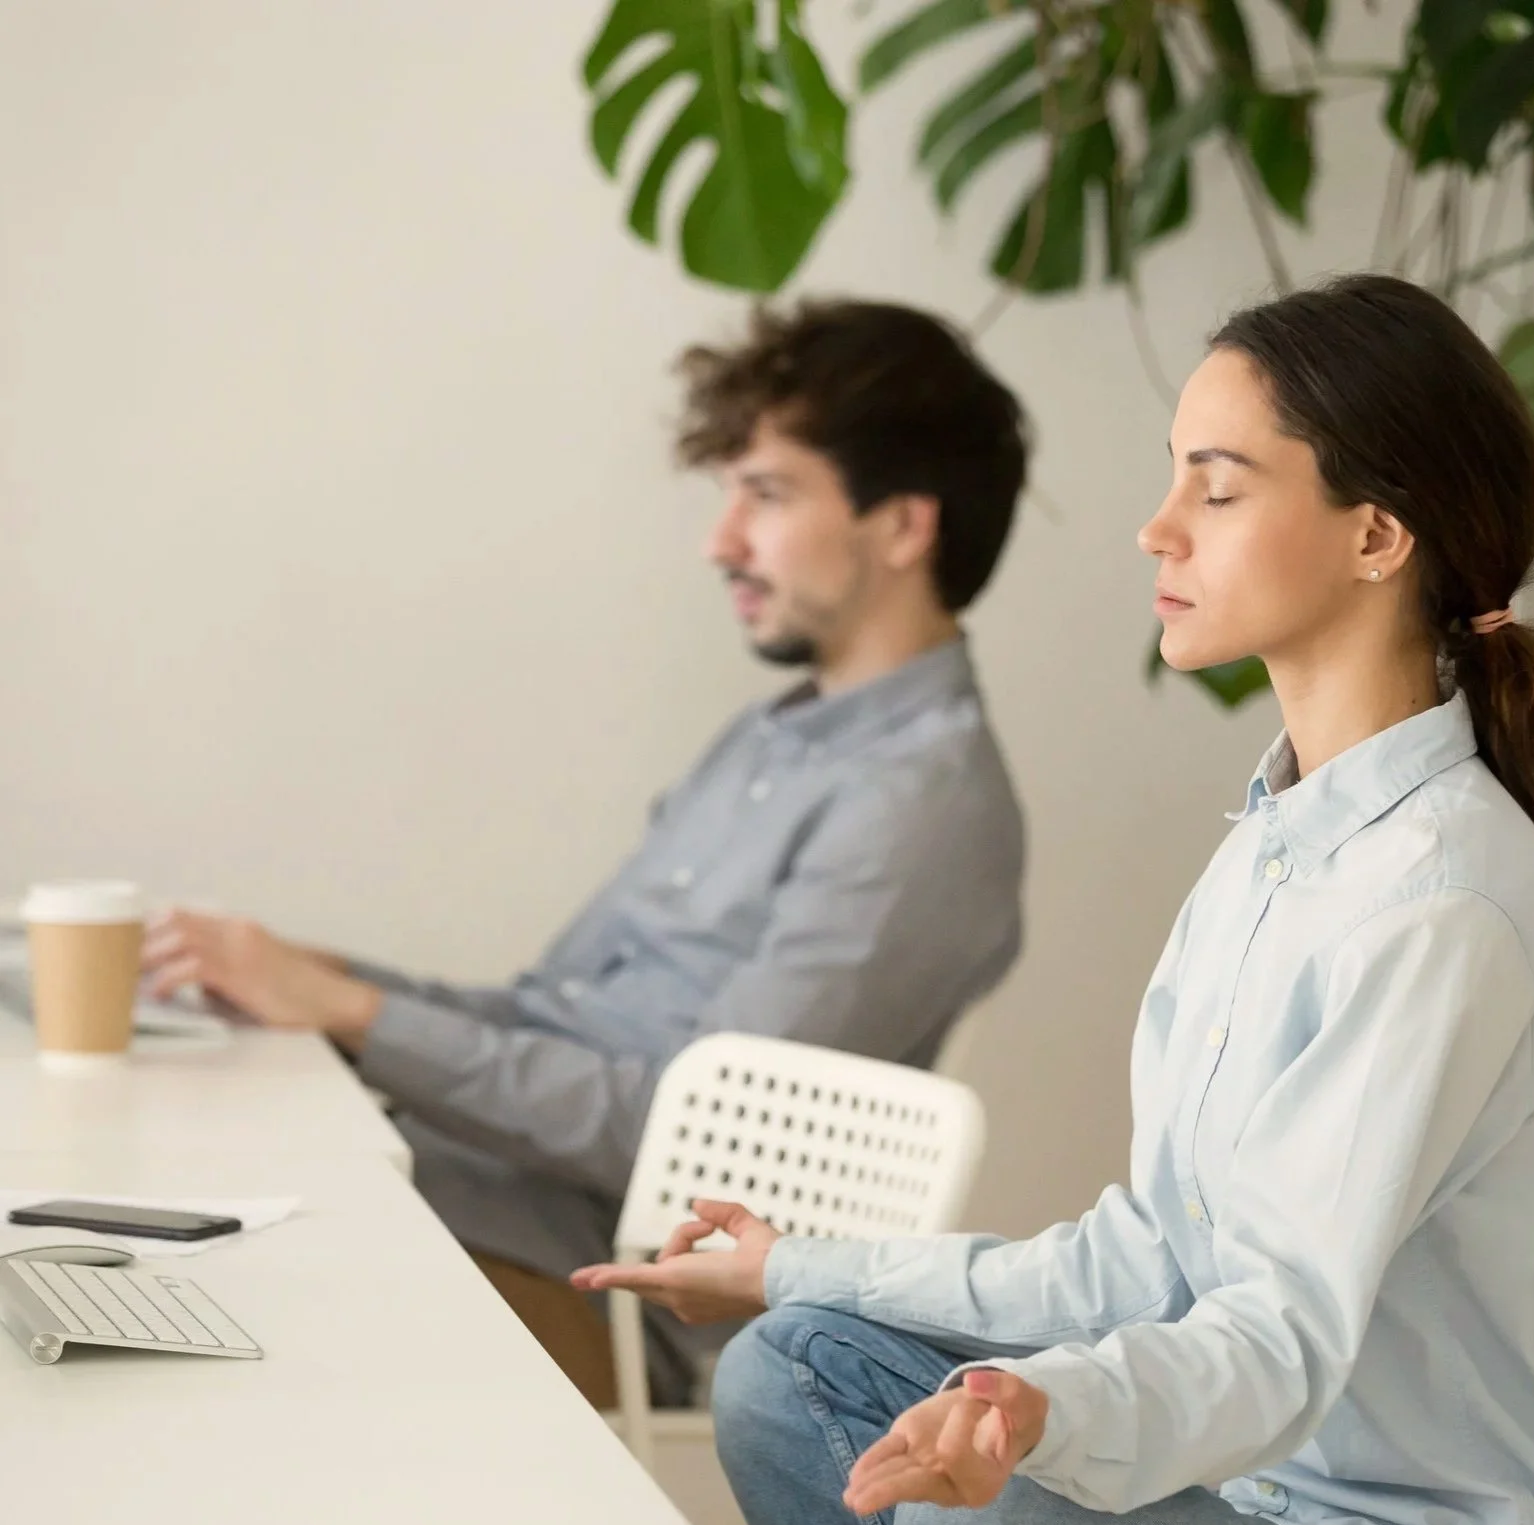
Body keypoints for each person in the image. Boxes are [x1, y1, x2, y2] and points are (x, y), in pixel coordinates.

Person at [574, 272, 1534, 1525]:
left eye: (1215, 489)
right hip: (1244, 1509)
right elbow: (1145, 1256)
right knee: (788, 1369)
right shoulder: (1279, 844)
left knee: (989, 1522)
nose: (1155, 528)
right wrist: (795, 1263)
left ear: (1376, 534)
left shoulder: (1438, 907)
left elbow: (1277, 1338)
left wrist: (1043, 1416)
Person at [143, 299, 1031, 1408]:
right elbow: (549, 1012)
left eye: (765, 493)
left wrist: (353, 1016)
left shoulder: (922, 809)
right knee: (150, 1188)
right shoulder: (770, 740)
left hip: (607, 1298)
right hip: (491, 1204)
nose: (721, 542)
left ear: (902, 527)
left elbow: (699, 1151)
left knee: (198, 1275)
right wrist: (315, 981)